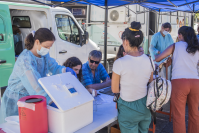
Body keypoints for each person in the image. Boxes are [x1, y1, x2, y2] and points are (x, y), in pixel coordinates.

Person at [0, 28, 77, 124]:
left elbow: (53, 65)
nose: (48, 49)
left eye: (50, 47)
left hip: (31, 98)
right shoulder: (25, 61)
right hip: (16, 100)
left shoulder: (43, 54)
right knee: (16, 127)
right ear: (37, 42)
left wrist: (64, 70)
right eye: (46, 46)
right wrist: (53, 102)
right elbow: (36, 88)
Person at [155, 26, 199, 133]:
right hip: (195, 82)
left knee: (178, 115)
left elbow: (158, 58)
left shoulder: (175, 46)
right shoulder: (196, 47)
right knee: (195, 114)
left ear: (180, 35)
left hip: (179, 82)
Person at [112, 21, 154, 133]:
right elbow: (150, 82)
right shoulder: (149, 60)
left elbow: (115, 89)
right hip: (145, 106)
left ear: (125, 41)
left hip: (128, 108)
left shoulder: (119, 63)